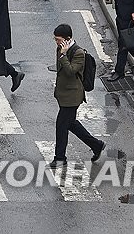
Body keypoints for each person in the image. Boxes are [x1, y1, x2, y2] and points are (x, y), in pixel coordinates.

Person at [51, 23, 105, 167]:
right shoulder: (60, 48)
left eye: (58, 39)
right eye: (55, 39)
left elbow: (70, 71)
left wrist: (63, 55)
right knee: (71, 124)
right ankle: (96, 145)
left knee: (61, 125)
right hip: (63, 94)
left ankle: (60, 158)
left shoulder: (78, 52)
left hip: (73, 96)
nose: (56, 42)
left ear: (67, 39)